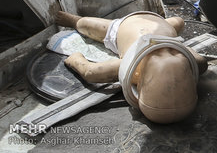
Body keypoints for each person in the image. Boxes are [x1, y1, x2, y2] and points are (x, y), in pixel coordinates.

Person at [55, 10, 208, 124]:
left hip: (149, 25)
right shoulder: (135, 69)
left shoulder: (186, 59)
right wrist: (75, 59)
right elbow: (90, 72)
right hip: (135, 25)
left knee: (179, 21)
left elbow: (90, 72)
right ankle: (75, 20)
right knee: (82, 24)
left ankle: (76, 20)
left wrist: (75, 60)